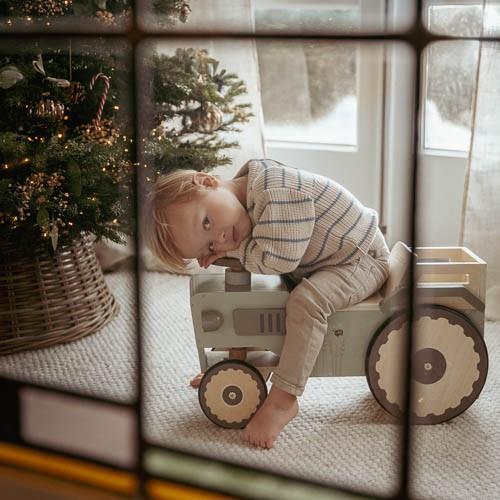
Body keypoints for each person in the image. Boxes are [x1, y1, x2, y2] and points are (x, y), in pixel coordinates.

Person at [144, 159, 390, 449]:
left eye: (207, 222)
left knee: (307, 303)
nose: (221, 239)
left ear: (207, 182)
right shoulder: (247, 200)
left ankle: (284, 400)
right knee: (270, 295)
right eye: (210, 247)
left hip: (360, 259)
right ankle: (243, 361)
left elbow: (279, 260)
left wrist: (233, 252)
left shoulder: (275, 190)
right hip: (324, 261)